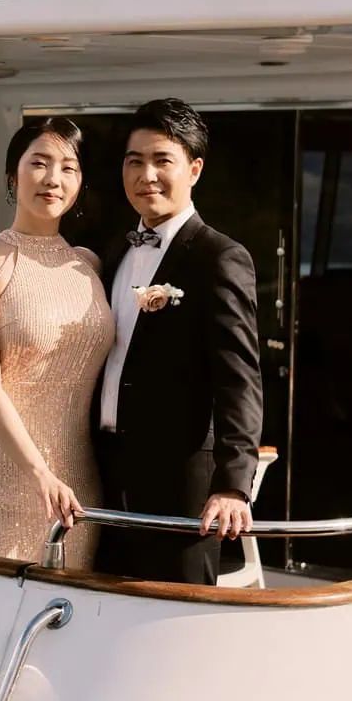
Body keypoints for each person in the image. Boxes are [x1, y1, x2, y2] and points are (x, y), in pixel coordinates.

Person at [94, 99, 263, 584]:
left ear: (194, 168)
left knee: (175, 619)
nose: (146, 174)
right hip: (102, 472)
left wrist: (233, 485)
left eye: (161, 160)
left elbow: (240, 378)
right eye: (134, 161)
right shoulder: (112, 250)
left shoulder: (219, 256)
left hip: (180, 482)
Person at [0, 118, 110, 568]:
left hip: (77, 479)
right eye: (39, 163)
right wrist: (40, 473)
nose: (53, 178)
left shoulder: (88, 265)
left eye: (68, 168)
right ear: (11, 175)